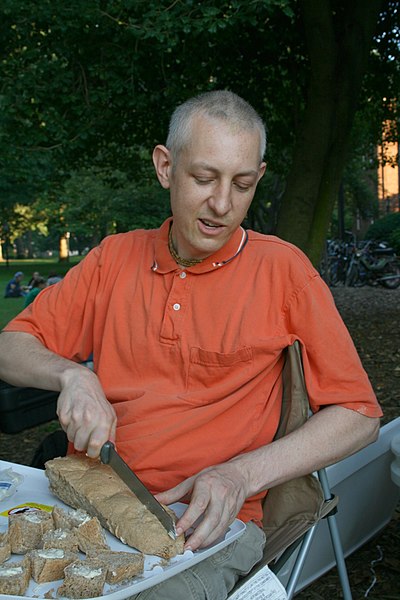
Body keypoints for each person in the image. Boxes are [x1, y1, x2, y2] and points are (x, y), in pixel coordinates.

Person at [0, 91, 382, 599]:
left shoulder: (283, 271)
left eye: (242, 184)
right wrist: (72, 375)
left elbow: (359, 414)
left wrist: (240, 474)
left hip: (207, 526)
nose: (223, 204)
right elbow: (11, 346)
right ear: (165, 167)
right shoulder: (113, 259)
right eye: (204, 178)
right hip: (88, 500)